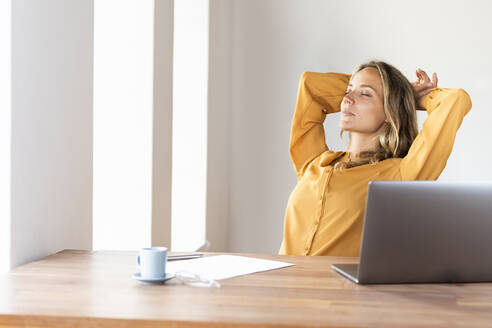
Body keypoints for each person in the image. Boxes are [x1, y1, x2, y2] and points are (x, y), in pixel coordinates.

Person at [279, 60, 472, 256]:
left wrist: (402, 95)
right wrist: (395, 91)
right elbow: (310, 85)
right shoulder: (313, 161)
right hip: (278, 284)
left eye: (364, 93)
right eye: (348, 91)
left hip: (339, 287)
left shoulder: (401, 175)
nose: (347, 100)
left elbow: (455, 100)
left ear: (390, 111)